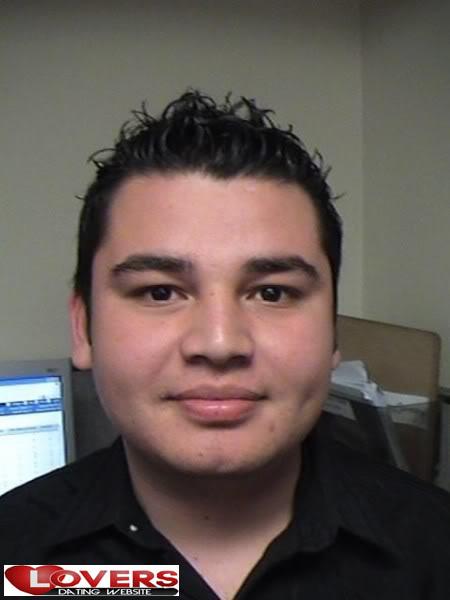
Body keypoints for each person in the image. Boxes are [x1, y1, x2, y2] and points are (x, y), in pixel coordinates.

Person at [1, 91, 450, 599]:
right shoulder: (14, 556)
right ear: (83, 328)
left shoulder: (436, 551)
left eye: (272, 292)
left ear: (332, 331)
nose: (219, 344)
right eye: (160, 292)